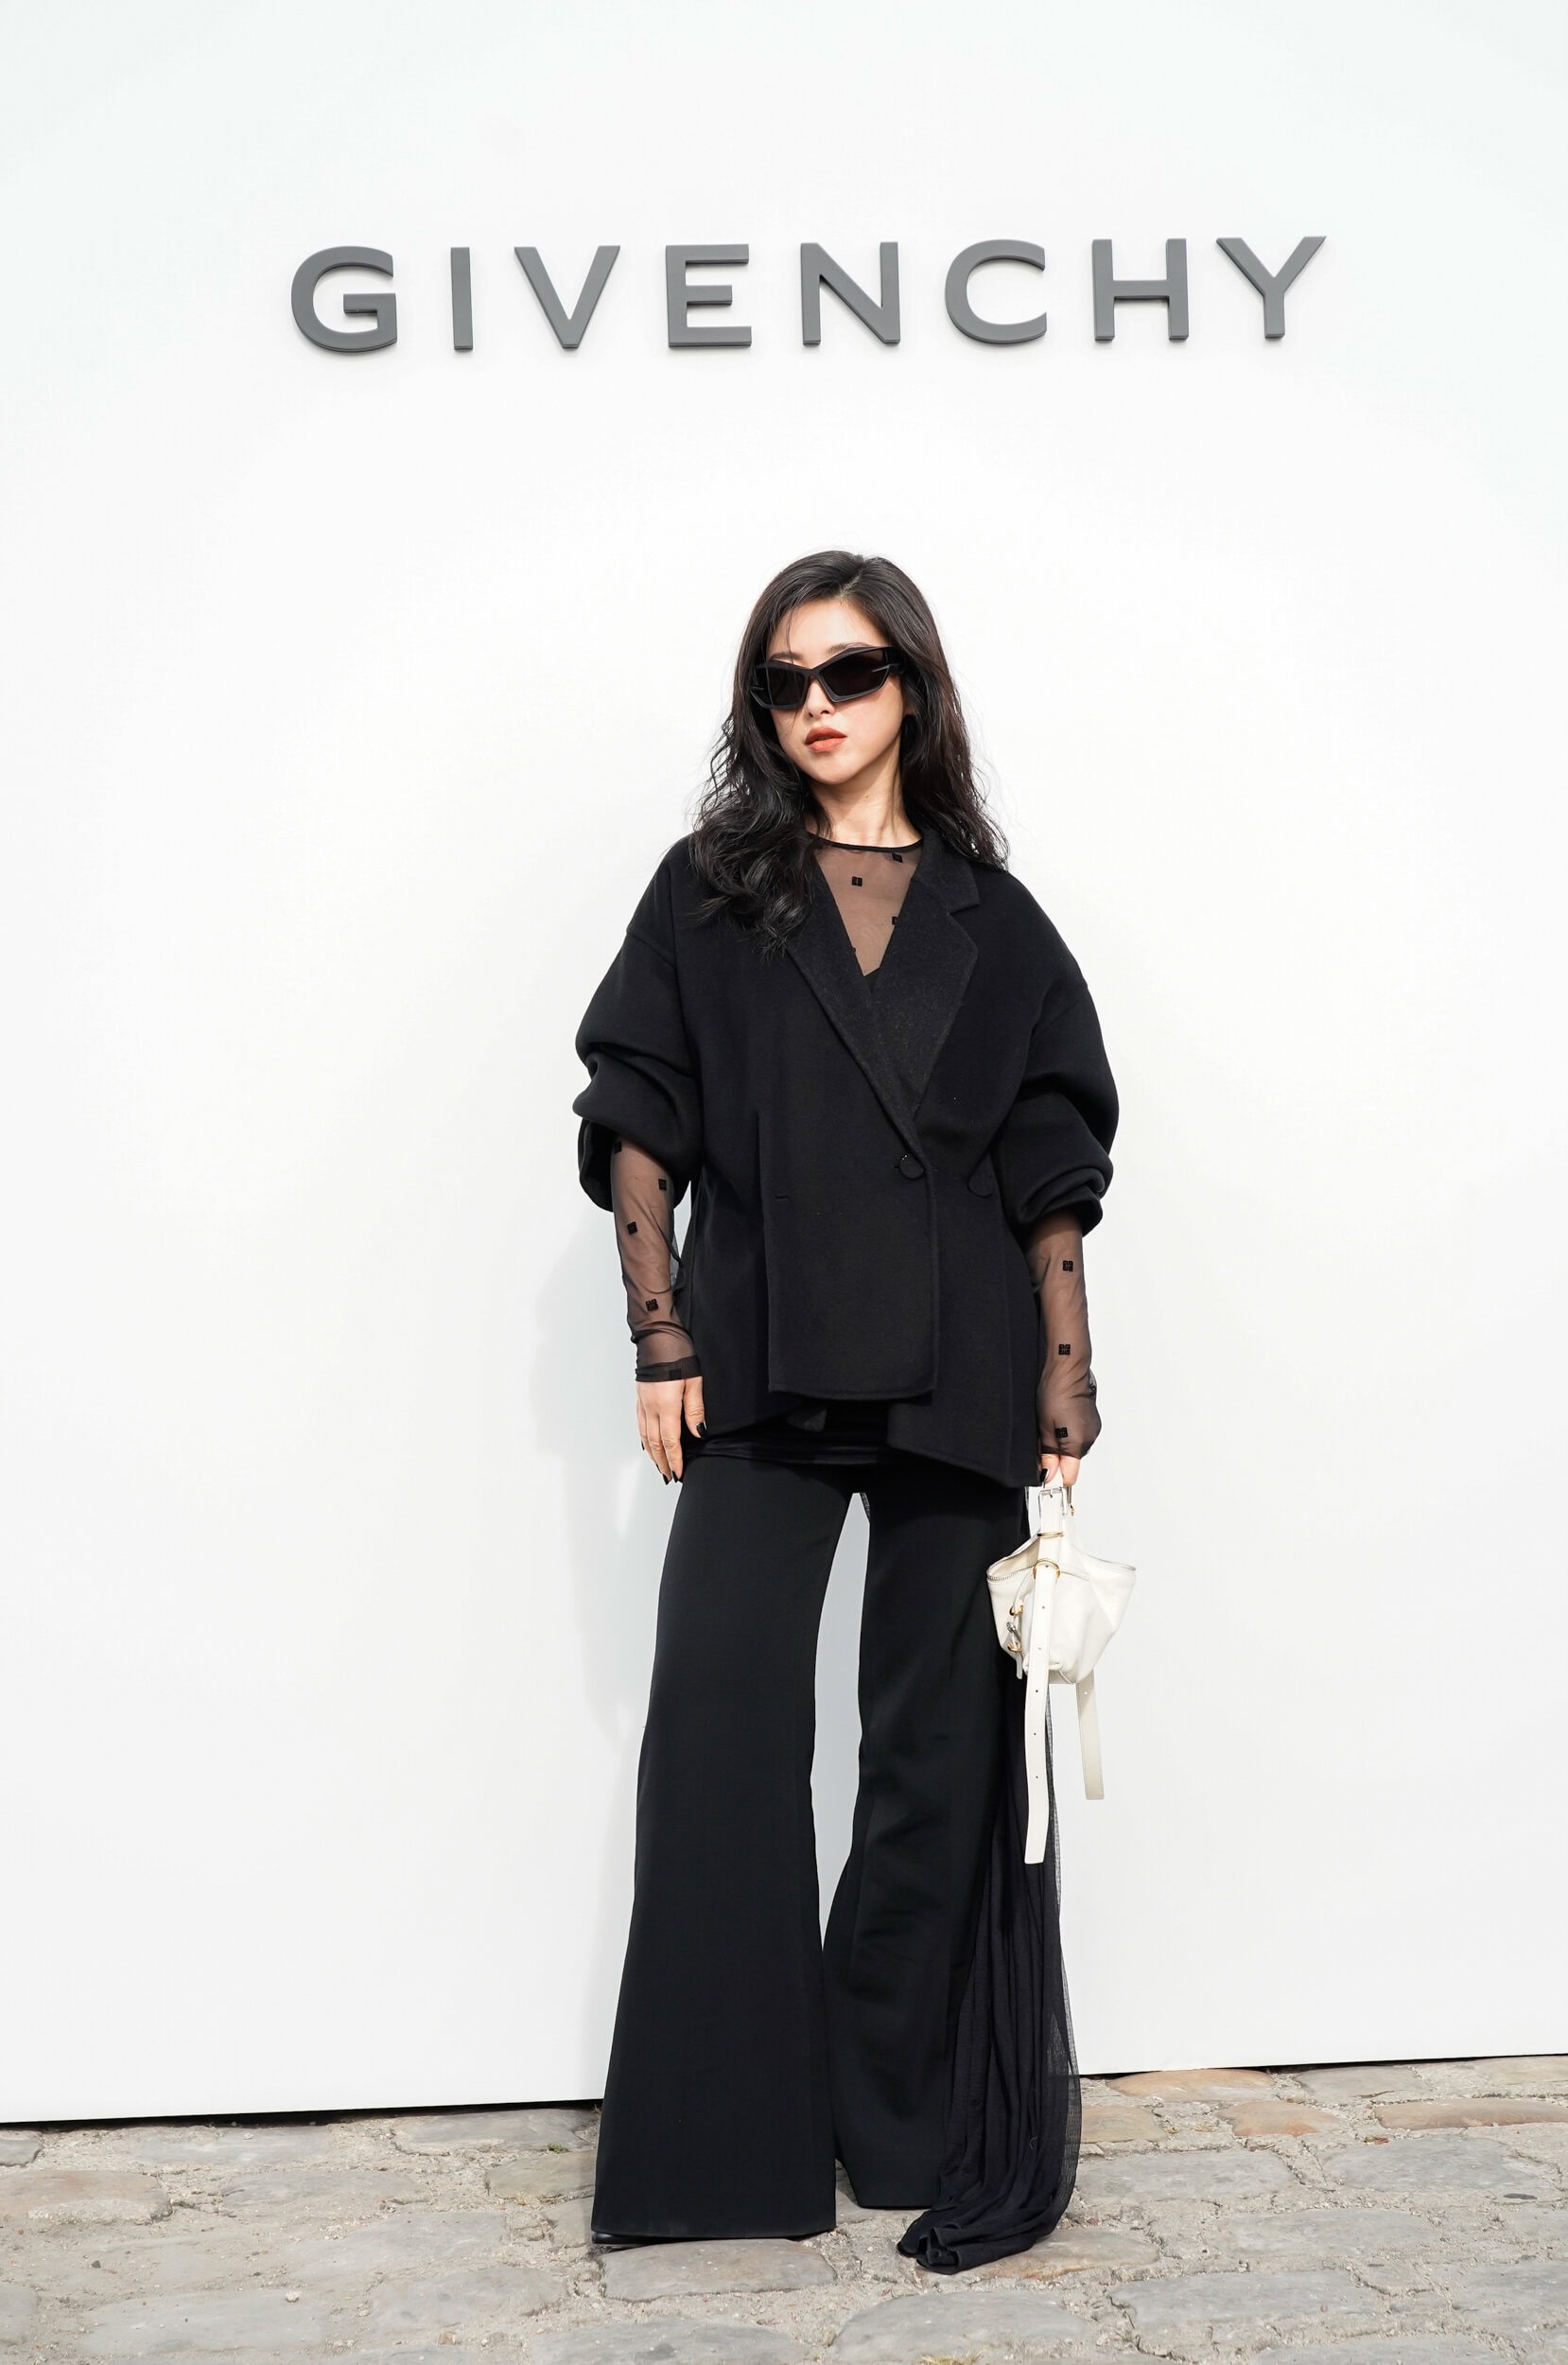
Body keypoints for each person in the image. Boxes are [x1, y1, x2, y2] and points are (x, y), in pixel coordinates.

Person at [571, 551, 1119, 2270]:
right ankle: (723, 2152)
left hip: (963, 1364)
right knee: (720, 1734)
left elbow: (1049, 1161)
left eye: (850, 672)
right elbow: (639, 1114)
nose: (815, 705)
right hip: (763, 1351)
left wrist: (1066, 1366)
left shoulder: (995, 918)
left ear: (912, 688)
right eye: (784, 681)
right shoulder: (709, 892)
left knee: (937, 1761)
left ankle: (899, 2124)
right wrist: (661, 1336)